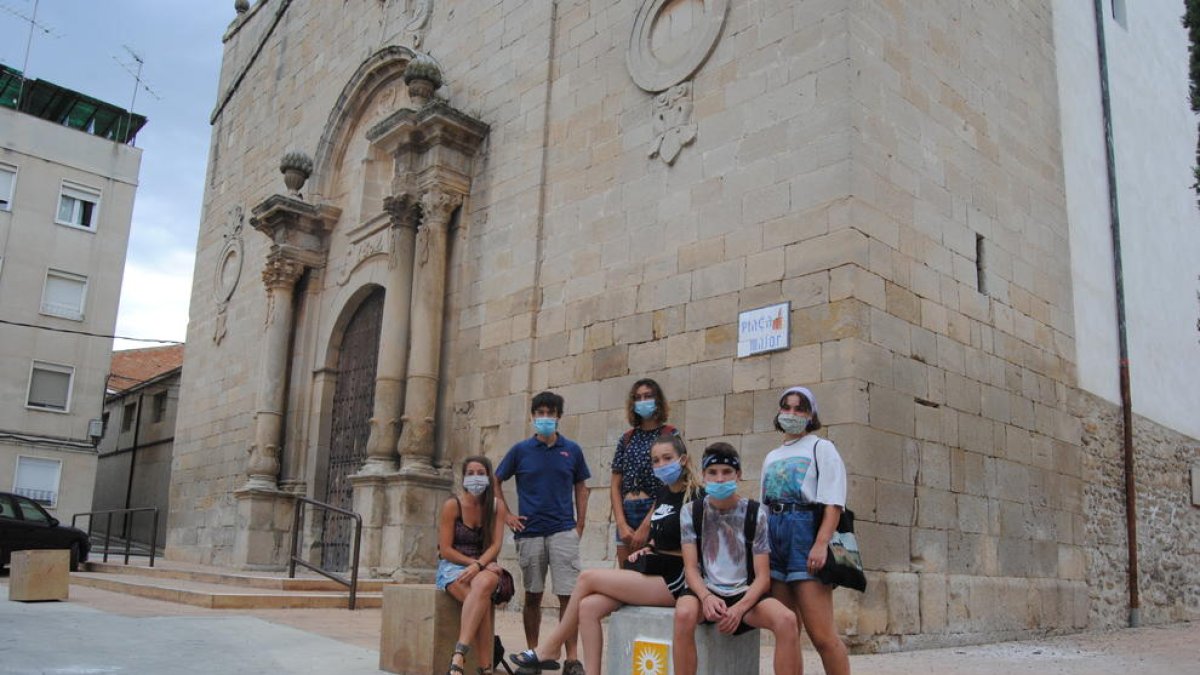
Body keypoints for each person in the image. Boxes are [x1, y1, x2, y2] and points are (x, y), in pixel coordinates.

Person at [509, 435, 704, 674]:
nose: (661, 464)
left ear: (682, 460)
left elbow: (701, 546)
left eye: (667, 458)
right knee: (588, 607)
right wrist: (649, 548)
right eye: (656, 460)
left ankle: (552, 647)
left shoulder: (698, 496)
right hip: (657, 569)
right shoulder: (664, 493)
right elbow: (662, 535)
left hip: (678, 578)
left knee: (586, 578)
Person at [673, 443, 800, 675]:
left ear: (738, 474)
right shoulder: (691, 512)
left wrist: (740, 608)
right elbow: (690, 568)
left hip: (744, 593)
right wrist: (706, 597)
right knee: (683, 614)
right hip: (706, 590)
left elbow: (763, 578)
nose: (720, 479)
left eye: (727, 472)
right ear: (704, 476)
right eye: (713, 472)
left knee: (787, 619)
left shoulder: (755, 513)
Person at [495, 391, 591, 675]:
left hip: (563, 531)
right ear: (533, 416)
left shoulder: (572, 450)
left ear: (559, 416)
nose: (545, 418)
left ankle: (571, 659)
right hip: (530, 533)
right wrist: (506, 515)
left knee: (568, 597)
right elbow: (496, 479)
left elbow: (581, 487)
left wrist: (580, 524)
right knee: (533, 595)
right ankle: (534, 654)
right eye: (540, 413)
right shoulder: (520, 451)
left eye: (550, 413)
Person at [760, 386, 850, 675]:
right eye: (786, 407)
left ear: (811, 415)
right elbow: (764, 506)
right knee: (787, 632)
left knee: (822, 636)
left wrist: (821, 543)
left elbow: (834, 501)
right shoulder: (771, 456)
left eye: (800, 408)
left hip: (805, 532)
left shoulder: (821, 448)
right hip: (775, 535)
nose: (792, 413)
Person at [437, 456, 507, 675]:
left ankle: (459, 655)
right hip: (455, 565)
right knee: (480, 604)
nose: (476, 478)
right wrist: (473, 564)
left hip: (485, 565)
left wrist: (480, 565)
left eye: (481, 473)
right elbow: (445, 550)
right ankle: (485, 668)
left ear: (488, 476)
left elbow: (496, 545)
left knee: (484, 584)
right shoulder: (452, 505)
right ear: (463, 477)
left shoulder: (496, 506)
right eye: (471, 473)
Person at [610, 378, 678, 565]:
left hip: (655, 509)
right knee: (626, 573)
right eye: (638, 398)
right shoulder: (627, 438)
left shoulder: (669, 434)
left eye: (648, 396)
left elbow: (673, 483)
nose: (643, 401)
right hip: (626, 511)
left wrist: (647, 524)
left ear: (657, 400)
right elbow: (615, 484)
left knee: (650, 569)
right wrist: (621, 523)